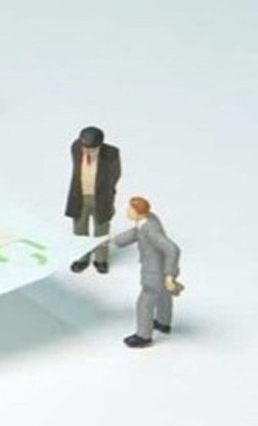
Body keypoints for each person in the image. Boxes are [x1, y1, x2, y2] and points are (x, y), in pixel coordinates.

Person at [111, 197, 183, 348]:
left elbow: (172, 249)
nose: (127, 211)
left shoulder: (150, 229)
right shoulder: (149, 219)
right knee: (163, 296)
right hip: (159, 269)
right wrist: (115, 240)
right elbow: (136, 233)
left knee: (144, 303)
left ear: (138, 212)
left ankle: (143, 336)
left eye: (130, 209)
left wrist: (169, 275)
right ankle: (163, 323)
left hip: (153, 271)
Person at [66, 126, 121, 273]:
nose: (87, 151)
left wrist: (108, 192)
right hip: (80, 198)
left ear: (100, 146)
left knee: (101, 232)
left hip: (101, 199)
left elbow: (116, 174)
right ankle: (82, 258)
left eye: (91, 149)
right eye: (84, 147)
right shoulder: (76, 148)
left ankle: (101, 260)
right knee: (79, 231)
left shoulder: (112, 154)